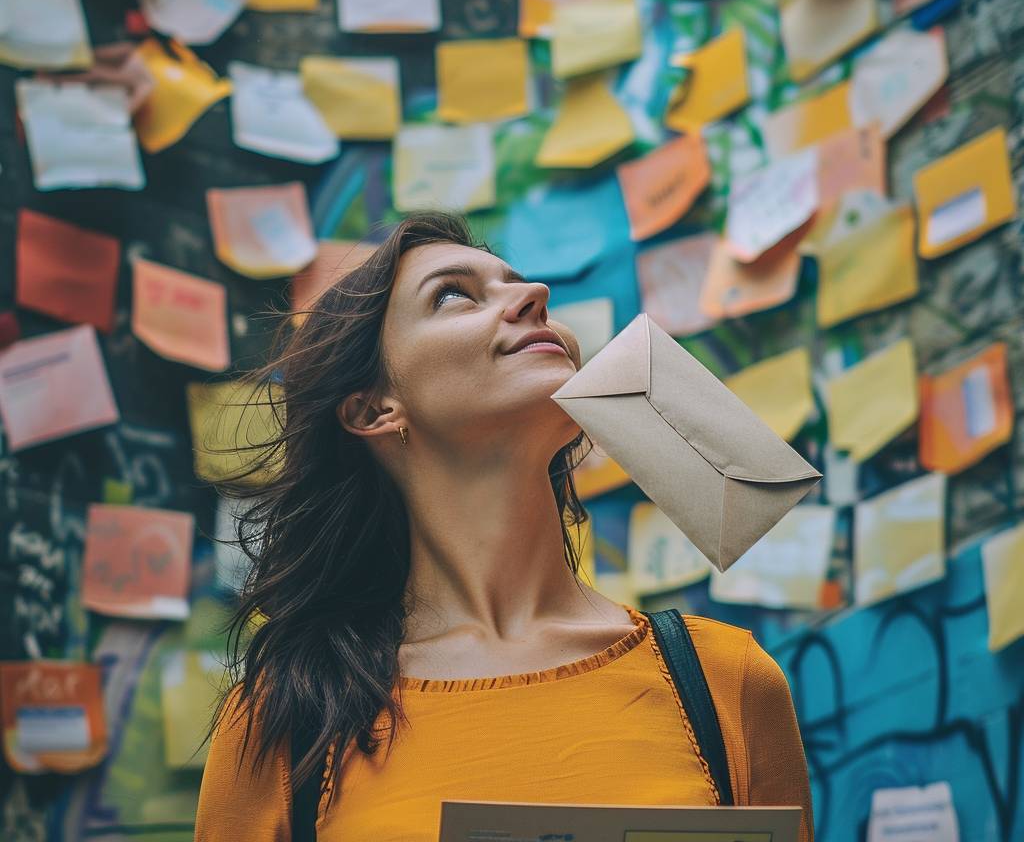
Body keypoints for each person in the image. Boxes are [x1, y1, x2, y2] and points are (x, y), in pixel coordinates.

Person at [193, 210, 815, 842]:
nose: (536, 296)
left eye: (523, 284)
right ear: (374, 408)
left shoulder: (724, 679)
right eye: (455, 295)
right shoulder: (287, 717)